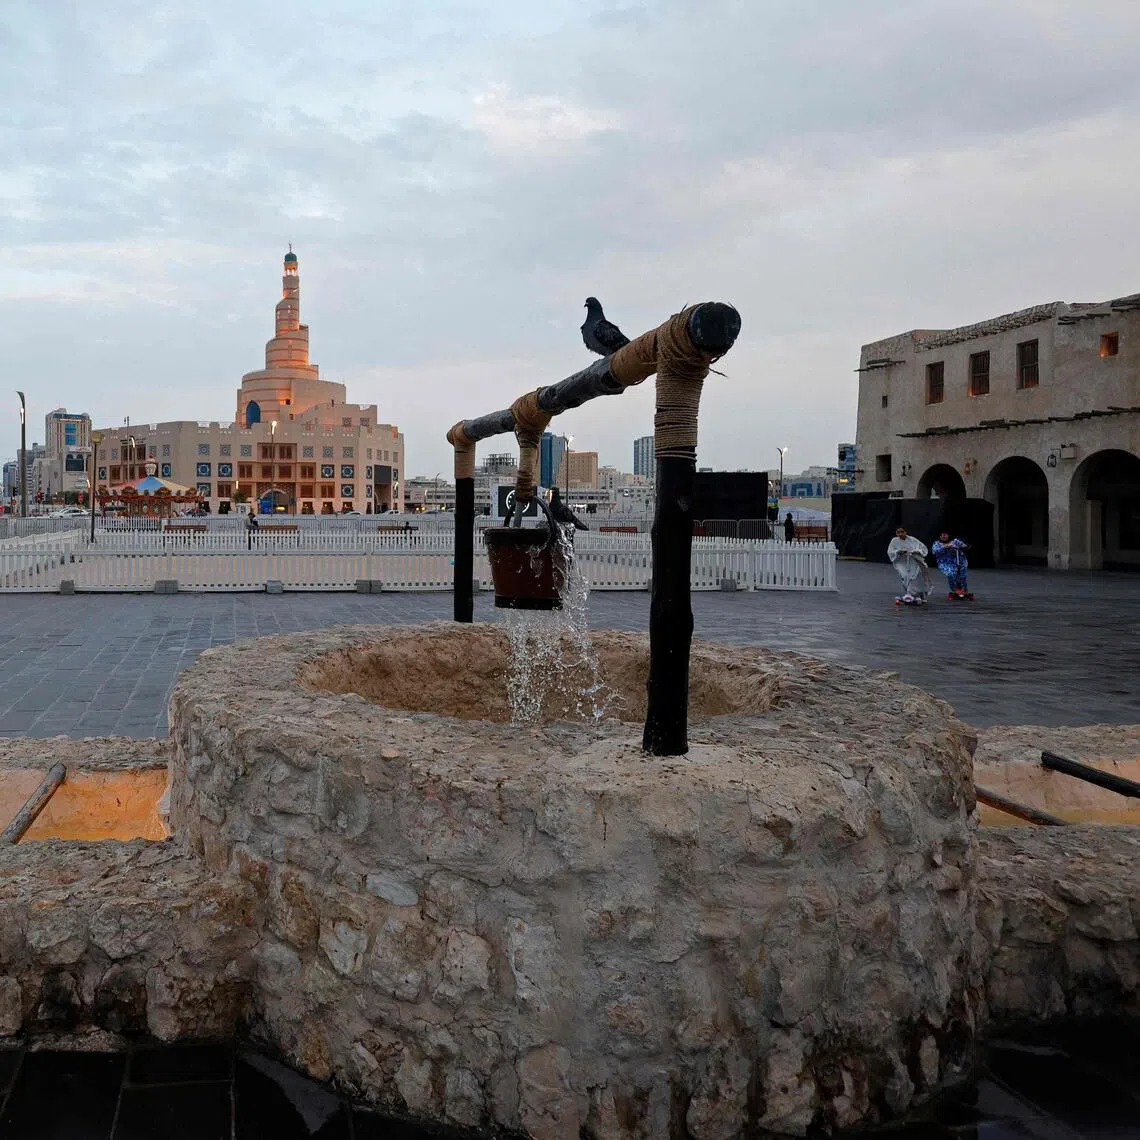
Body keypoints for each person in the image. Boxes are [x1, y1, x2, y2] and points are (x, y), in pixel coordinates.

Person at [887, 526, 930, 604]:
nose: (900, 534)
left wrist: (916, 551)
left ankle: (916, 595)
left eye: (902, 532)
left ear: (905, 532)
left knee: (914, 576)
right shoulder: (894, 541)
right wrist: (898, 552)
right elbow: (890, 552)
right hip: (901, 561)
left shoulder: (913, 540)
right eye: (898, 532)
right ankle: (909, 594)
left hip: (913, 560)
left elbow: (923, 548)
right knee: (905, 575)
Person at [933, 532, 972, 600]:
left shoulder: (955, 541)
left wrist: (962, 546)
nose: (943, 536)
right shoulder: (937, 543)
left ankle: (964, 589)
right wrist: (945, 546)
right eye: (942, 535)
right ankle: (955, 589)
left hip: (960, 561)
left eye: (945, 535)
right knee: (951, 573)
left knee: (962, 575)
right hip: (945, 562)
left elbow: (966, 546)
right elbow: (934, 551)